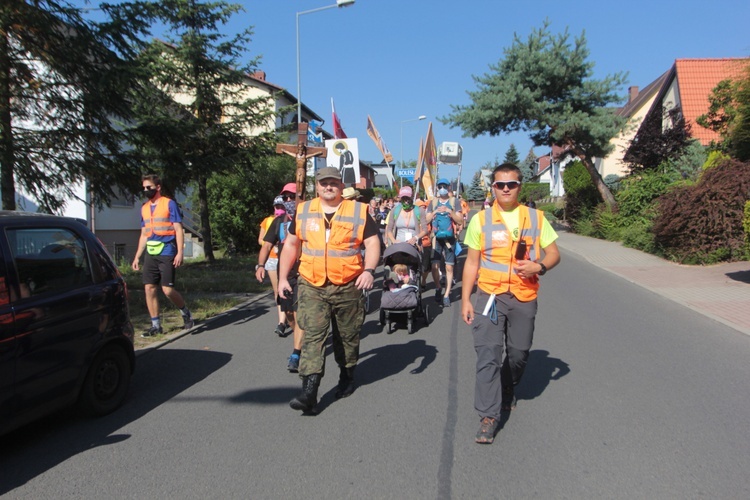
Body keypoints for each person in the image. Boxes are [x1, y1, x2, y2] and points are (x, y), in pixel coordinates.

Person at [461, 163, 560, 445]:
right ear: (492, 188)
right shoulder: (480, 220)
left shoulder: (537, 218)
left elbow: (554, 253)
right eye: (500, 185)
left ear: (520, 186)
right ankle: (488, 417)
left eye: (512, 184)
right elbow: (471, 262)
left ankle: (507, 385)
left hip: (523, 296)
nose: (506, 189)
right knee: (487, 355)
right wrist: (466, 299)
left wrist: (539, 266)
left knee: (518, 353)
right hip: (489, 296)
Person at [278, 167, 381, 414]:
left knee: (347, 336)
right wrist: (282, 278)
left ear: (341, 185)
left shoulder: (358, 211)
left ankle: (347, 377)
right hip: (311, 283)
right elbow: (291, 244)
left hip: (348, 283)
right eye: (324, 183)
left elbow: (372, 242)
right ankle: (309, 392)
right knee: (312, 335)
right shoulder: (303, 211)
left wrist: (369, 270)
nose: (328, 187)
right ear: (317, 186)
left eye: (333, 182)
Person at [132, 174, 194, 337]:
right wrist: (137, 256)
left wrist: (180, 252)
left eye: (149, 187)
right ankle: (156, 325)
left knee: (167, 290)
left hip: (167, 250)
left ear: (158, 187)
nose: (146, 190)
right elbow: (144, 234)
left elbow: (178, 229)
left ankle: (185, 312)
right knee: (149, 288)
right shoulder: (144, 208)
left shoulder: (169, 204)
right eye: (144, 188)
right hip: (151, 252)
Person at [256, 183, 304, 371]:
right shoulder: (279, 222)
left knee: (299, 314)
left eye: (292, 196)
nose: (289, 201)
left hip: (306, 274)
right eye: (286, 198)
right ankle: (300, 339)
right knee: (290, 314)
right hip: (286, 275)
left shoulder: (309, 219)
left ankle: (296, 352)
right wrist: (260, 265)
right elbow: (266, 245)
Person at [426, 178, 464, 307]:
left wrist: (450, 212)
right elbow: (426, 220)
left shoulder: (454, 202)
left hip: (450, 239)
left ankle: (447, 294)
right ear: (437, 188)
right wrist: (435, 212)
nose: (442, 188)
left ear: (448, 188)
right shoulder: (433, 202)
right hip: (436, 239)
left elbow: (460, 221)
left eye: (444, 186)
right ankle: (438, 288)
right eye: (440, 186)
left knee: (449, 267)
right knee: (434, 267)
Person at [259, 196, 288, 336]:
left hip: (287, 259)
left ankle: (291, 316)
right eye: (277, 207)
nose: (279, 209)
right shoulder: (268, 221)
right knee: (277, 290)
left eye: (282, 206)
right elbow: (262, 240)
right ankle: (281, 321)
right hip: (272, 259)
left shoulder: (292, 219)